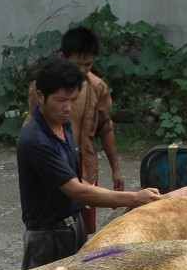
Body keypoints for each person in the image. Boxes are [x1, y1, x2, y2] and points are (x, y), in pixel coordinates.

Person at [17, 57, 162, 270]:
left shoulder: (62, 125)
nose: (68, 108)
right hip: (48, 238)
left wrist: (111, 196)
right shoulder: (36, 140)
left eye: (73, 99)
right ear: (41, 96)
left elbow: (76, 178)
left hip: (74, 226)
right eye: (61, 100)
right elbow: (76, 190)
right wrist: (134, 197)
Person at [25, 26, 125, 234]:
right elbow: (33, 124)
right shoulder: (43, 87)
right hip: (53, 160)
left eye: (88, 64)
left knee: (83, 227)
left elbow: (105, 127)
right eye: (77, 64)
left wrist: (116, 169)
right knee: (53, 222)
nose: (82, 70)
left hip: (83, 162)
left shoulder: (98, 88)